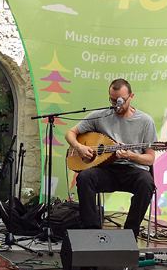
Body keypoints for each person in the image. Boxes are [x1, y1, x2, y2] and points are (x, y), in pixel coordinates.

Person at [64, 79, 156, 238]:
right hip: (106, 170)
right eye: (112, 100)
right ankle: (91, 233)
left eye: (120, 101)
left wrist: (130, 155)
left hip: (132, 171)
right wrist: (80, 147)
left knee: (146, 182)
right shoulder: (100, 116)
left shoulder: (145, 121)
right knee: (85, 177)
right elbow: (70, 133)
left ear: (131, 96)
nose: (116, 105)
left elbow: (150, 159)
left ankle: (129, 234)